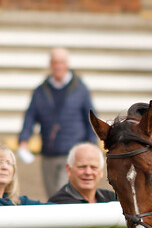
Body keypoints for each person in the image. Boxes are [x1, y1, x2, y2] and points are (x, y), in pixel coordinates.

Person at [17, 47, 97, 198]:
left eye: (61, 62)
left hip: (72, 153)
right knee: (52, 195)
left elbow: (91, 119)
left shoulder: (80, 90)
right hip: (48, 153)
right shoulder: (40, 91)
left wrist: (92, 146)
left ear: (67, 64)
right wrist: (23, 141)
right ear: (50, 65)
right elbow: (30, 117)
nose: (58, 66)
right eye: (55, 63)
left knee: (64, 193)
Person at [48, 142, 129, 228]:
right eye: (82, 167)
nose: (88, 172)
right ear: (68, 169)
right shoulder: (60, 200)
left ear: (101, 172)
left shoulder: (112, 197)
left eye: (93, 167)